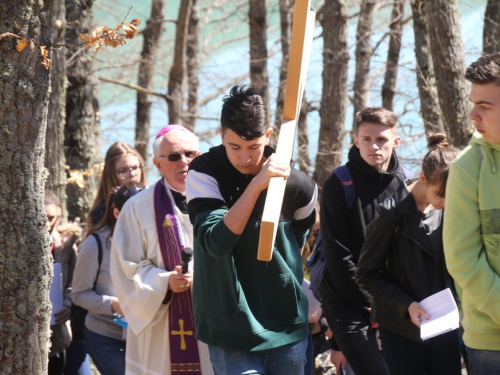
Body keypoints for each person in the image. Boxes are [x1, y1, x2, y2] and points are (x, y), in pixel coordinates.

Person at [186, 85, 318, 374]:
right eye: (235, 147)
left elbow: (296, 244)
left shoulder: (300, 186)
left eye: (253, 147)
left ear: (268, 136)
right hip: (229, 325)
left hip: (286, 323)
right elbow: (215, 242)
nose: (245, 158)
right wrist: (258, 184)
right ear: (221, 136)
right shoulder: (204, 171)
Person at [110, 124, 214, 375]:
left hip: (212, 320)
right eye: (174, 156)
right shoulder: (136, 208)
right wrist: (165, 281)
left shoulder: (220, 200)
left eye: (190, 154)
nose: (184, 162)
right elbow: (126, 270)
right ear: (157, 164)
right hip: (161, 327)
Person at [356, 133, 461, 375]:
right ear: (423, 178)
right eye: (441, 195)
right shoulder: (390, 215)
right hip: (401, 328)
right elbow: (366, 274)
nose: (447, 202)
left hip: (444, 324)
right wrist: (407, 304)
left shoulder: (450, 207)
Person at [320, 107, 410, 375]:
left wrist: (392, 301)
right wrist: (371, 300)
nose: (374, 146)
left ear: (395, 142)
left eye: (381, 139)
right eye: (367, 139)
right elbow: (338, 256)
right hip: (347, 301)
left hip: (394, 300)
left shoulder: (408, 183)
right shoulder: (339, 184)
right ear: (356, 140)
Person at [443, 52, 500, 374]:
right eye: (473, 102)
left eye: (485, 105)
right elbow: (462, 258)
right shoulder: (468, 167)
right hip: (492, 342)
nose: (472, 114)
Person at [72, 182, 145, 375]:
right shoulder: (93, 245)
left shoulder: (155, 241)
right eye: (134, 211)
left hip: (146, 336)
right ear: (117, 214)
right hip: (105, 335)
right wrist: (114, 304)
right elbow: (79, 295)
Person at [45, 190, 79, 375]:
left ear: (58, 218)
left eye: (51, 218)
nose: (47, 224)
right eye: (42, 217)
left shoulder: (66, 248)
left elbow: (72, 285)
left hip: (56, 336)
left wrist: (67, 305)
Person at [86, 142, 146, 234]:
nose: (132, 174)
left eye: (135, 168)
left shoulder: (154, 199)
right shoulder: (100, 213)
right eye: (123, 171)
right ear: (112, 176)